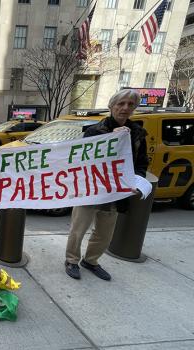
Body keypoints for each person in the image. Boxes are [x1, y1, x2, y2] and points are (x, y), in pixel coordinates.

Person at [65, 89, 148, 281]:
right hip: (91, 190)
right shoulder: (94, 131)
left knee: (104, 233)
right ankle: (71, 260)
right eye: (121, 104)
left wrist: (137, 180)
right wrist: (111, 137)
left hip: (116, 192)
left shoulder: (137, 134)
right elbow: (82, 160)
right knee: (78, 229)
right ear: (111, 107)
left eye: (130, 104)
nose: (125, 108)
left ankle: (91, 260)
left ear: (134, 108)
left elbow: (141, 162)